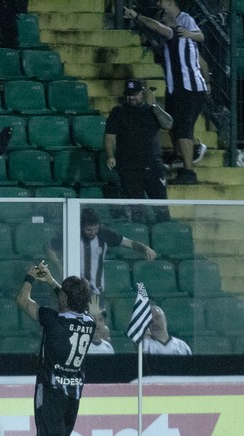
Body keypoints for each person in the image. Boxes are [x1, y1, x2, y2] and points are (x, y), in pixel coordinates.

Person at [16, 260, 94, 436]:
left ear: (65, 299)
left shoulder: (53, 319)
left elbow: (23, 301)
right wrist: (51, 282)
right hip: (74, 394)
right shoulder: (89, 323)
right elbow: (71, 302)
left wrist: (29, 278)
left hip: (51, 391)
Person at [124, 0, 209, 185]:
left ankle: (189, 172)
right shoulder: (183, 40)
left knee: (183, 130)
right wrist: (207, 83)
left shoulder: (176, 32)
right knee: (173, 125)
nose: (161, 20)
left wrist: (137, 16)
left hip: (188, 88)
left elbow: (155, 26)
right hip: (179, 88)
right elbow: (202, 62)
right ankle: (186, 153)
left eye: (163, 17)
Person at [45, 208, 157, 307]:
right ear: (81, 227)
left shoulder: (104, 235)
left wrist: (144, 248)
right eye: (89, 229)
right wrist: (58, 265)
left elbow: (129, 243)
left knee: (97, 324)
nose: (93, 232)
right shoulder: (72, 235)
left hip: (96, 292)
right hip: (74, 291)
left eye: (95, 228)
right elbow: (48, 247)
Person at [104, 78, 173, 222]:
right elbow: (109, 136)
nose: (131, 98)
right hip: (129, 168)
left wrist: (154, 104)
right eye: (129, 94)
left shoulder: (152, 110)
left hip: (153, 166)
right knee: (136, 211)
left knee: (161, 209)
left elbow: (168, 124)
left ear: (143, 93)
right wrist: (110, 155)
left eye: (135, 94)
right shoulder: (118, 111)